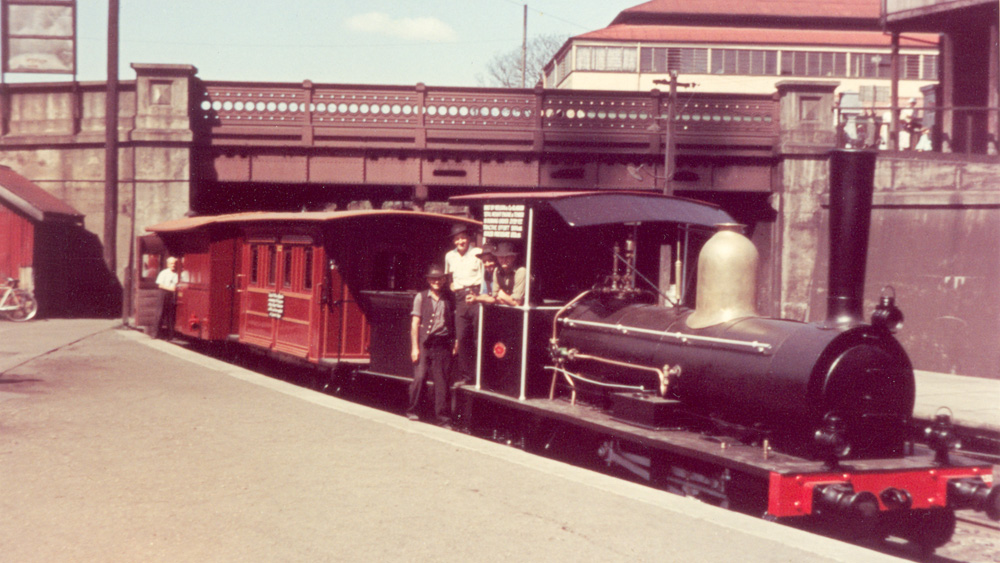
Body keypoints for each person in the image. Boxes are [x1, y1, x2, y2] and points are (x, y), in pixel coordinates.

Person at [407, 264, 455, 425]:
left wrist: (455, 341)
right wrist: (415, 347)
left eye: (440, 279)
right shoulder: (421, 297)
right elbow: (415, 323)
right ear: (428, 280)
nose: (437, 282)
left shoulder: (449, 297)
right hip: (425, 343)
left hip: (442, 344)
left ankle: (443, 419)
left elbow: (454, 321)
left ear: (444, 280)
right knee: (420, 377)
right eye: (433, 279)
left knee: (442, 382)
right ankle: (412, 410)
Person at [444, 223, 483, 385]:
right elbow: (448, 275)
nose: (460, 241)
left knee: (478, 336)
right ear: (453, 241)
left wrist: (479, 295)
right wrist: (451, 285)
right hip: (460, 299)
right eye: (457, 239)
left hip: (475, 295)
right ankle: (468, 377)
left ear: (468, 239)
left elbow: (485, 276)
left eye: (463, 238)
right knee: (462, 337)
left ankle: (482, 375)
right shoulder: (449, 256)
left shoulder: (477, 253)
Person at [472, 241, 526, 307]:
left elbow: (517, 303)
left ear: (513, 257)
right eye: (501, 257)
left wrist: (501, 294)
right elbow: (495, 297)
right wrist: (509, 300)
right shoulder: (497, 271)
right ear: (497, 258)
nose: (504, 260)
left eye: (507, 257)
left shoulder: (520, 271)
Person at [151, 256, 180, 339]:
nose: (173, 265)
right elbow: (160, 285)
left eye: (174, 263)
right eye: (171, 263)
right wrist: (171, 288)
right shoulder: (163, 273)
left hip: (171, 295)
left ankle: (170, 336)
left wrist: (172, 289)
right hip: (163, 294)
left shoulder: (177, 274)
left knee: (170, 315)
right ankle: (155, 334)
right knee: (160, 313)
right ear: (168, 264)